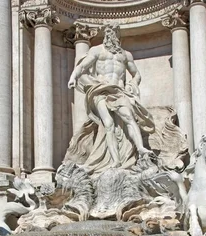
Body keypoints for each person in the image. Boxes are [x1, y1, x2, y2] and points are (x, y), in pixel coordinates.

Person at [66, 23, 155, 175]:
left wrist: (133, 84)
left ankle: (140, 148)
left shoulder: (126, 55)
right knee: (108, 123)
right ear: (105, 34)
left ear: (118, 35)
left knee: (129, 117)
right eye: (108, 32)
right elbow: (82, 67)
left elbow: (136, 74)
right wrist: (73, 77)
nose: (111, 35)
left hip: (119, 91)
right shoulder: (96, 50)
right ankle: (115, 160)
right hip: (100, 90)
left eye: (114, 32)